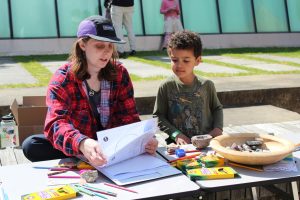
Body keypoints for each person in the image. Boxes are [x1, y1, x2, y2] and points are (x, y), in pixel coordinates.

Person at [22, 15, 158, 165]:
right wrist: (82, 143)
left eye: (110, 46)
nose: (107, 52)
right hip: (81, 141)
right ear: (82, 45)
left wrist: (144, 139)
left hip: (112, 143)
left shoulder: (120, 73)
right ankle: (84, 154)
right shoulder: (63, 78)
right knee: (31, 145)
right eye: (100, 46)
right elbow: (55, 123)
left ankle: (89, 156)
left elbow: (129, 116)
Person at [153, 30, 223, 145]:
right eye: (174, 60)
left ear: (198, 60)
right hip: (178, 146)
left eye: (186, 60)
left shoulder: (207, 85)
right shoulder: (165, 87)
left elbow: (217, 108)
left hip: (207, 143)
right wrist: (176, 135)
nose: (179, 65)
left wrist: (218, 129)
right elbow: (158, 117)